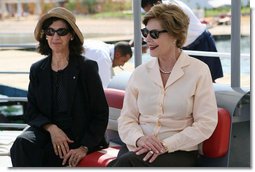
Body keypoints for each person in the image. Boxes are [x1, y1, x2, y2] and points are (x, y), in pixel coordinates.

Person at [109, 3, 218, 167]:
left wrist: (166, 145)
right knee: (127, 161)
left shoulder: (199, 71)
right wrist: (139, 139)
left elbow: (205, 123)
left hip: (178, 152)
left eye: (154, 33)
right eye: (145, 32)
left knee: (125, 164)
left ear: (175, 36)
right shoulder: (139, 74)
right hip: (137, 148)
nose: (147, 39)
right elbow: (127, 119)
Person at [10, 7, 109, 167]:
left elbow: (100, 113)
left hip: (78, 135)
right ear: (45, 35)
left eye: (61, 32)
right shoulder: (37, 69)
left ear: (71, 36)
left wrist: (84, 147)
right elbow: (31, 111)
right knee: (22, 144)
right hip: (48, 131)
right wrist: (52, 128)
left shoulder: (87, 68)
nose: (55, 37)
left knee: (54, 154)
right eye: (50, 31)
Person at [141, 0, 223, 82]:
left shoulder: (172, 8)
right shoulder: (168, 10)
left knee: (208, 78)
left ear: (158, 3)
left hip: (201, 40)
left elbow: (168, 33)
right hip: (186, 45)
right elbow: (157, 32)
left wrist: (148, 44)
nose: (152, 15)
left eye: (151, 10)